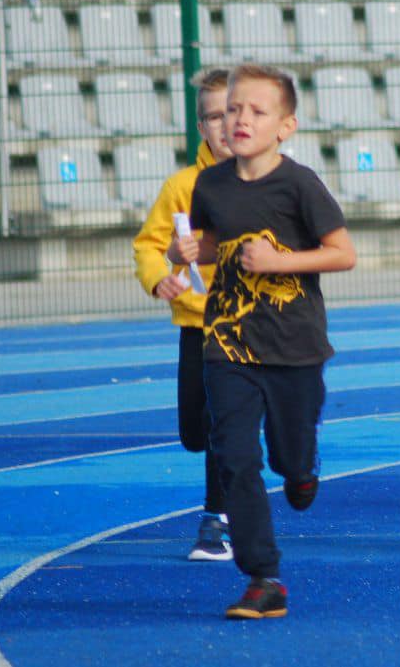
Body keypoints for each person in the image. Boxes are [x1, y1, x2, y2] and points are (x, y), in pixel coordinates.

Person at [169, 64, 356, 619]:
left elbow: (343, 253)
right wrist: (186, 252)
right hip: (227, 343)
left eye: (256, 111)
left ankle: (301, 468)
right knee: (234, 455)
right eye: (233, 109)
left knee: (288, 455)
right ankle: (262, 577)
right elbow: (212, 243)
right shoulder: (211, 184)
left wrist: (280, 262)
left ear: (285, 126)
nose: (240, 119)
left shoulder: (299, 184)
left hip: (295, 346)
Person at [132, 67, 234, 562]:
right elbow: (148, 245)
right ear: (200, 127)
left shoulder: (270, 182)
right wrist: (161, 275)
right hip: (195, 324)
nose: (226, 125)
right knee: (194, 432)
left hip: (247, 327)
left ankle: (216, 519)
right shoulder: (181, 186)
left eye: (234, 113)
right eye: (214, 117)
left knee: (220, 423)